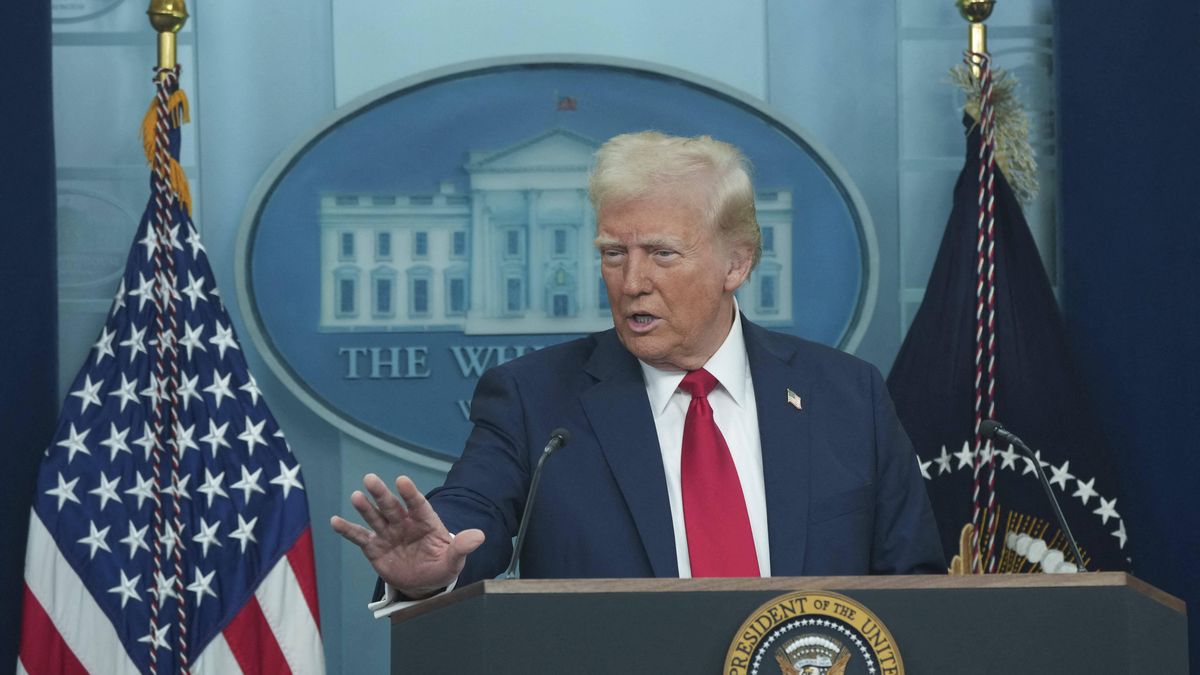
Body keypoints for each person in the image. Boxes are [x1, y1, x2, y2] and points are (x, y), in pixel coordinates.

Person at [331, 131, 944, 607]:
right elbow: (472, 508)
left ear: (737, 264)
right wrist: (436, 565)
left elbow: (915, 583)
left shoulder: (845, 394)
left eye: (662, 254)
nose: (632, 283)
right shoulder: (534, 397)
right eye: (613, 254)